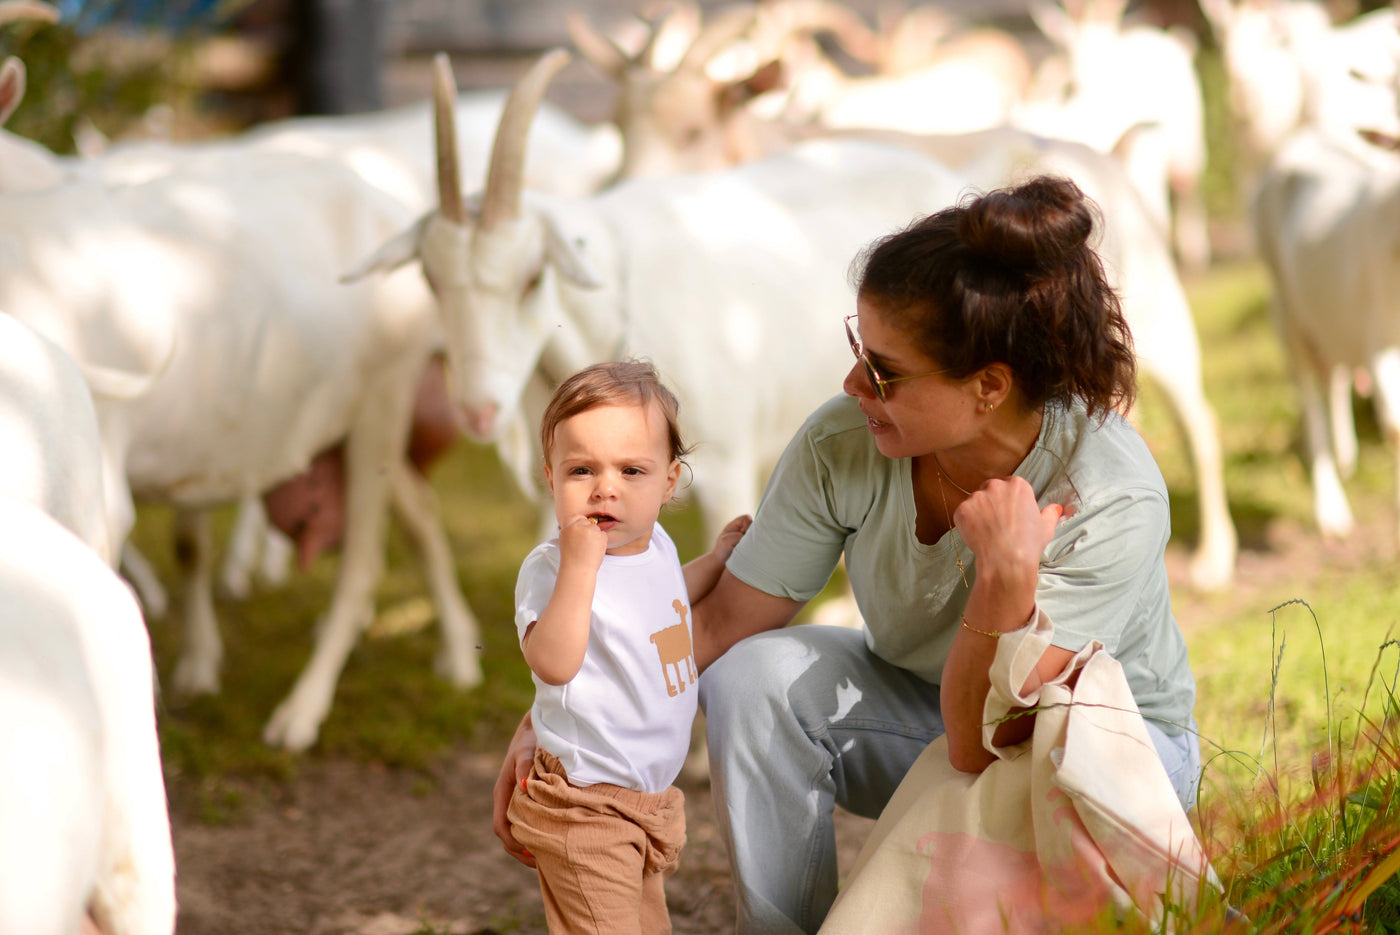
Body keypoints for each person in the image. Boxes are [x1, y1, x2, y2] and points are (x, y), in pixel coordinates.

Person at [493, 176, 1202, 935]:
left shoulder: (1108, 492)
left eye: (885, 372)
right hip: (926, 712)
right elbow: (725, 621)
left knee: (979, 793)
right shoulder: (844, 442)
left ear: (989, 386)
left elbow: (980, 737)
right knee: (753, 679)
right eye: (859, 348)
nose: (852, 383)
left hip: (1084, 752)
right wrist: (563, 724)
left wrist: (1004, 580)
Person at [505, 359, 750, 935]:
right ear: (550, 478)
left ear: (669, 481)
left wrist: (712, 563)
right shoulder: (552, 570)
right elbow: (553, 662)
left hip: (648, 798)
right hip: (585, 803)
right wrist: (580, 571)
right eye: (581, 469)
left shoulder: (656, 545)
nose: (605, 488)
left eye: (632, 470)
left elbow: (660, 601)